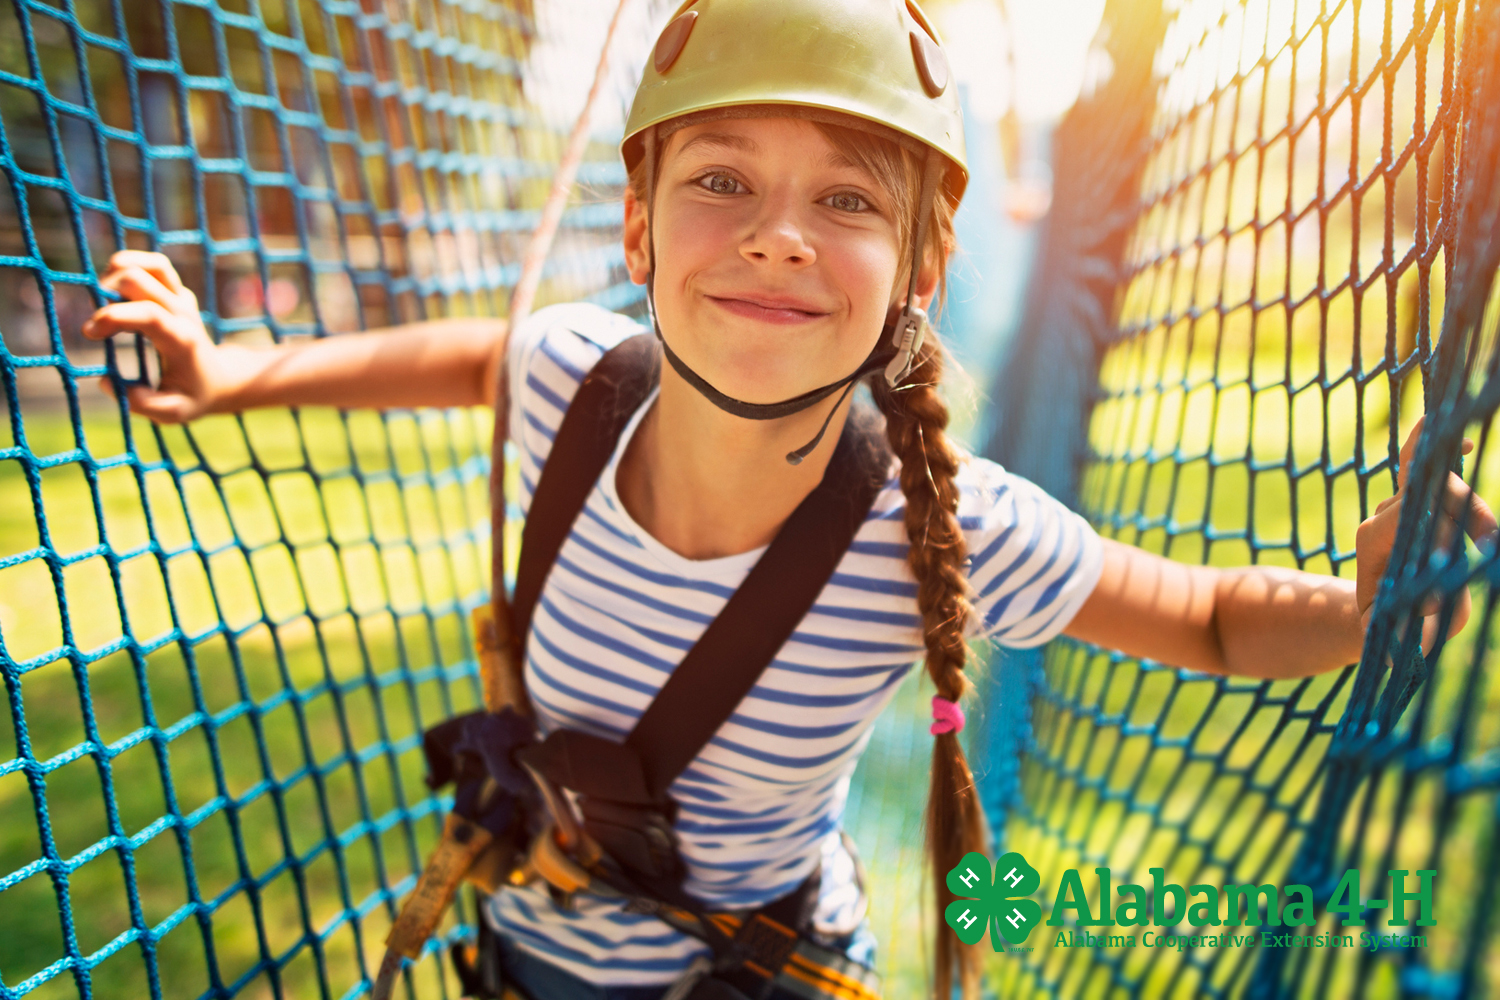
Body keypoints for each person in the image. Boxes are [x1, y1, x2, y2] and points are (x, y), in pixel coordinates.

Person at [80, 1, 1493, 997]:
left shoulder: (936, 521)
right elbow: (472, 355)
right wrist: (239, 372)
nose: (775, 233)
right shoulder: (573, 380)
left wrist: (1373, 612)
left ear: (920, 267)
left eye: (850, 202)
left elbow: (1213, 619)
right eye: (720, 179)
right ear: (634, 227)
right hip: (524, 956)